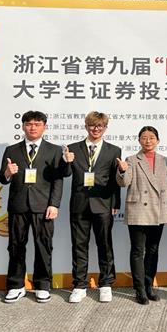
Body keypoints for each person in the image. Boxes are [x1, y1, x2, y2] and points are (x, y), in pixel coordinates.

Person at [0, 111, 64, 304]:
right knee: (15, 246)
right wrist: (7, 172)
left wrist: (54, 204)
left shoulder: (54, 150)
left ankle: (42, 285)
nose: (32, 127)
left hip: (43, 206)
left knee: (43, 246)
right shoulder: (12, 150)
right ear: (23, 126)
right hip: (18, 205)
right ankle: (15, 285)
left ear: (45, 126)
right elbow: (2, 179)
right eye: (28, 124)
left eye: (37, 124)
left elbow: (57, 180)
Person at [63, 111, 121, 303]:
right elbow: (65, 174)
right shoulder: (73, 148)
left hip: (103, 203)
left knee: (105, 244)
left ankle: (106, 284)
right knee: (79, 245)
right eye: (92, 125)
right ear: (86, 126)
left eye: (100, 126)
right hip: (79, 203)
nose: (96, 129)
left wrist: (116, 203)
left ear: (105, 128)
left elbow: (115, 179)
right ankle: (79, 285)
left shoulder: (114, 150)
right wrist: (66, 162)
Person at [116, 126, 167, 305]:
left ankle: (149, 286)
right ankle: (139, 289)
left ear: (158, 140)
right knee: (138, 251)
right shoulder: (131, 159)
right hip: (138, 209)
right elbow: (124, 183)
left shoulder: (165, 160)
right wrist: (122, 170)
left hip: (158, 210)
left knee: (153, 250)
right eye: (144, 137)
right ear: (139, 140)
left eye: (152, 137)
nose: (148, 141)